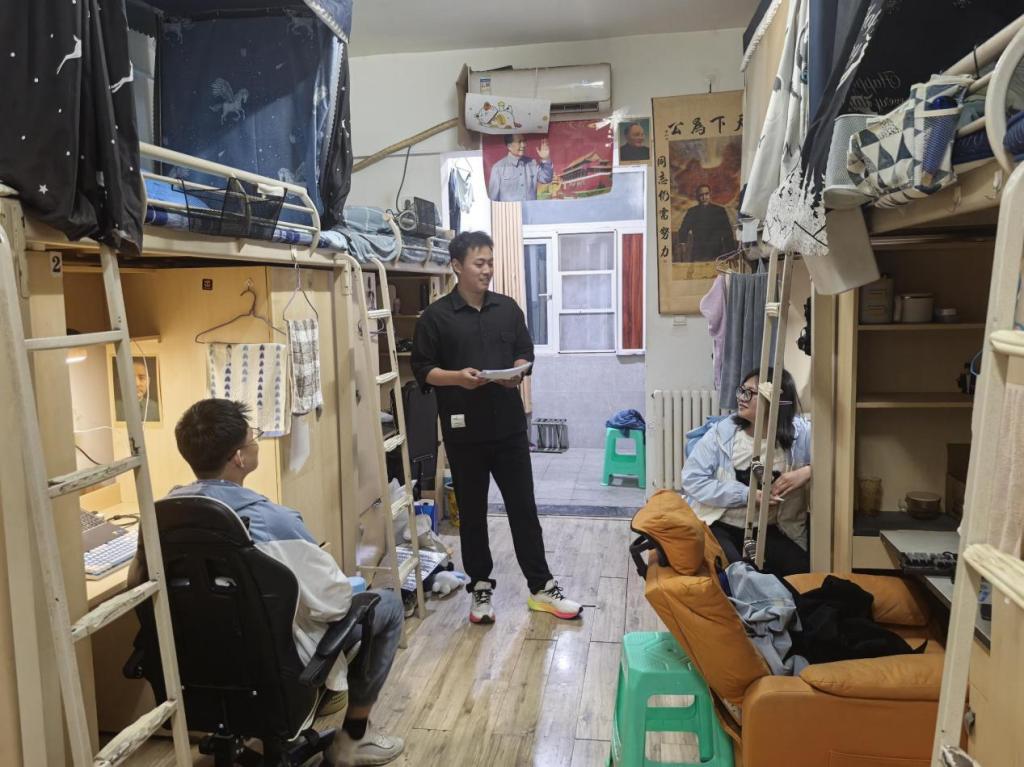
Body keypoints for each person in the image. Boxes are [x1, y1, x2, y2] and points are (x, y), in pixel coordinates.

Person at [158, 399, 405, 767]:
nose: (256, 443)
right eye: (253, 437)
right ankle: (355, 738)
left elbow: (145, 593)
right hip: (273, 667)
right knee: (387, 604)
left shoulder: (162, 517)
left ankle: (240, 732)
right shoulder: (273, 521)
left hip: (196, 665)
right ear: (239, 458)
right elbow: (335, 602)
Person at [411, 231, 581, 625]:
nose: (487, 269)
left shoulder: (508, 308)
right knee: (471, 515)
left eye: (490, 262)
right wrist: (458, 378)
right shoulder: (436, 317)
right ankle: (480, 588)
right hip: (464, 434)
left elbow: (525, 352)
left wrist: (516, 372)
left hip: (509, 430)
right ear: (457, 266)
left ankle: (541, 588)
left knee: (524, 509)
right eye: (479, 263)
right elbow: (423, 369)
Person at [681, 367, 811, 577]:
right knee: (737, 574)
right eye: (742, 390)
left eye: (750, 393)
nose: (741, 398)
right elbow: (692, 479)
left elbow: (834, 457)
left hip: (771, 529)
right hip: (722, 524)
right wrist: (746, 495)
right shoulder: (721, 434)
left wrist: (806, 471)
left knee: (800, 570)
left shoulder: (800, 435)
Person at [675, 183, 736, 262]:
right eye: (701, 195)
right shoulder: (692, 212)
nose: (704, 197)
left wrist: (731, 254)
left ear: (710, 194)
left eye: (706, 194)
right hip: (698, 252)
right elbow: (684, 229)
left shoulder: (719, 211)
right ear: (697, 197)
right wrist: (683, 244)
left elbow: (727, 232)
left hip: (717, 252)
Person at [487, 133, 553, 201]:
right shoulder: (498, 168)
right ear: (509, 146)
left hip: (530, 207)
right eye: (519, 142)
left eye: (524, 141)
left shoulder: (532, 163)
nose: (523, 145)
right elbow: (493, 198)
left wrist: (545, 159)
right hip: (510, 208)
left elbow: (546, 178)